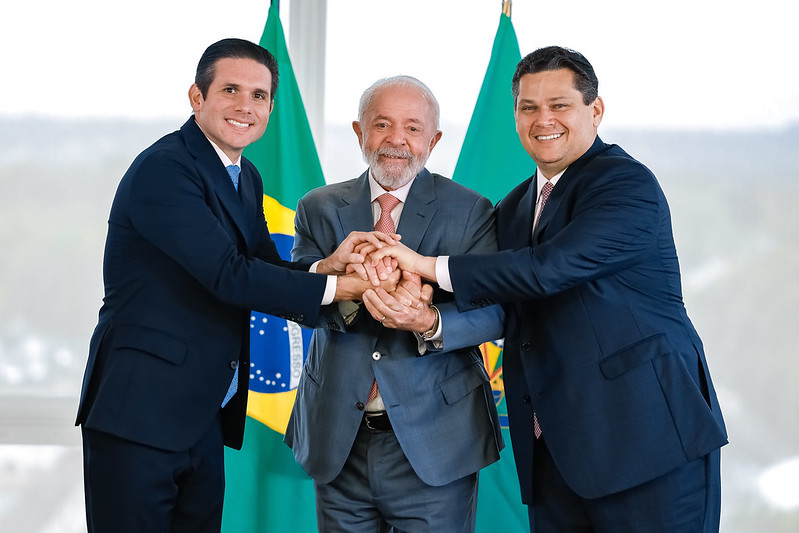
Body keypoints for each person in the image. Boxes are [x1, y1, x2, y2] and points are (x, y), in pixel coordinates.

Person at [367, 47, 728, 532]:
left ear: (594, 111)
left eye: (559, 105)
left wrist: (423, 265)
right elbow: (500, 294)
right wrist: (415, 301)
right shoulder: (514, 205)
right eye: (528, 107)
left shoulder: (625, 183)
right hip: (553, 451)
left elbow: (548, 270)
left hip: (647, 444)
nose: (543, 120)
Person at [75, 38, 397, 533]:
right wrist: (346, 289)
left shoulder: (243, 177)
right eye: (230, 90)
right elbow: (228, 275)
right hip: (140, 413)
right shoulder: (166, 170)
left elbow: (263, 265)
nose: (246, 106)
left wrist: (327, 268)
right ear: (196, 98)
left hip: (202, 410)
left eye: (260, 95)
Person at [284, 75, 505, 532]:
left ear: (434, 139)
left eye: (413, 128)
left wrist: (427, 319)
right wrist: (344, 285)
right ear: (359, 132)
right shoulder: (318, 207)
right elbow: (297, 298)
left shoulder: (471, 210)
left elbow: (496, 311)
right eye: (381, 125)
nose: (396, 140)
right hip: (337, 439)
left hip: (436, 441)